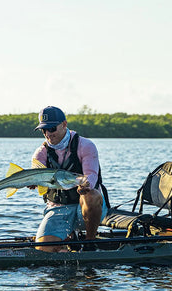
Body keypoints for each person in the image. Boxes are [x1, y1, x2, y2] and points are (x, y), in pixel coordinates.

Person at [31, 106, 108, 252]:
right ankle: (68, 239)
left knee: (91, 195)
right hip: (58, 208)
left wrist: (86, 185)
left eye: (52, 128)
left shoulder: (86, 145)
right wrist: (33, 183)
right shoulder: (40, 153)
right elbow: (37, 178)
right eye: (43, 130)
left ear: (64, 124)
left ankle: (90, 242)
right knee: (42, 250)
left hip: (85, 209)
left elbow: (91, 174)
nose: (48, 134)